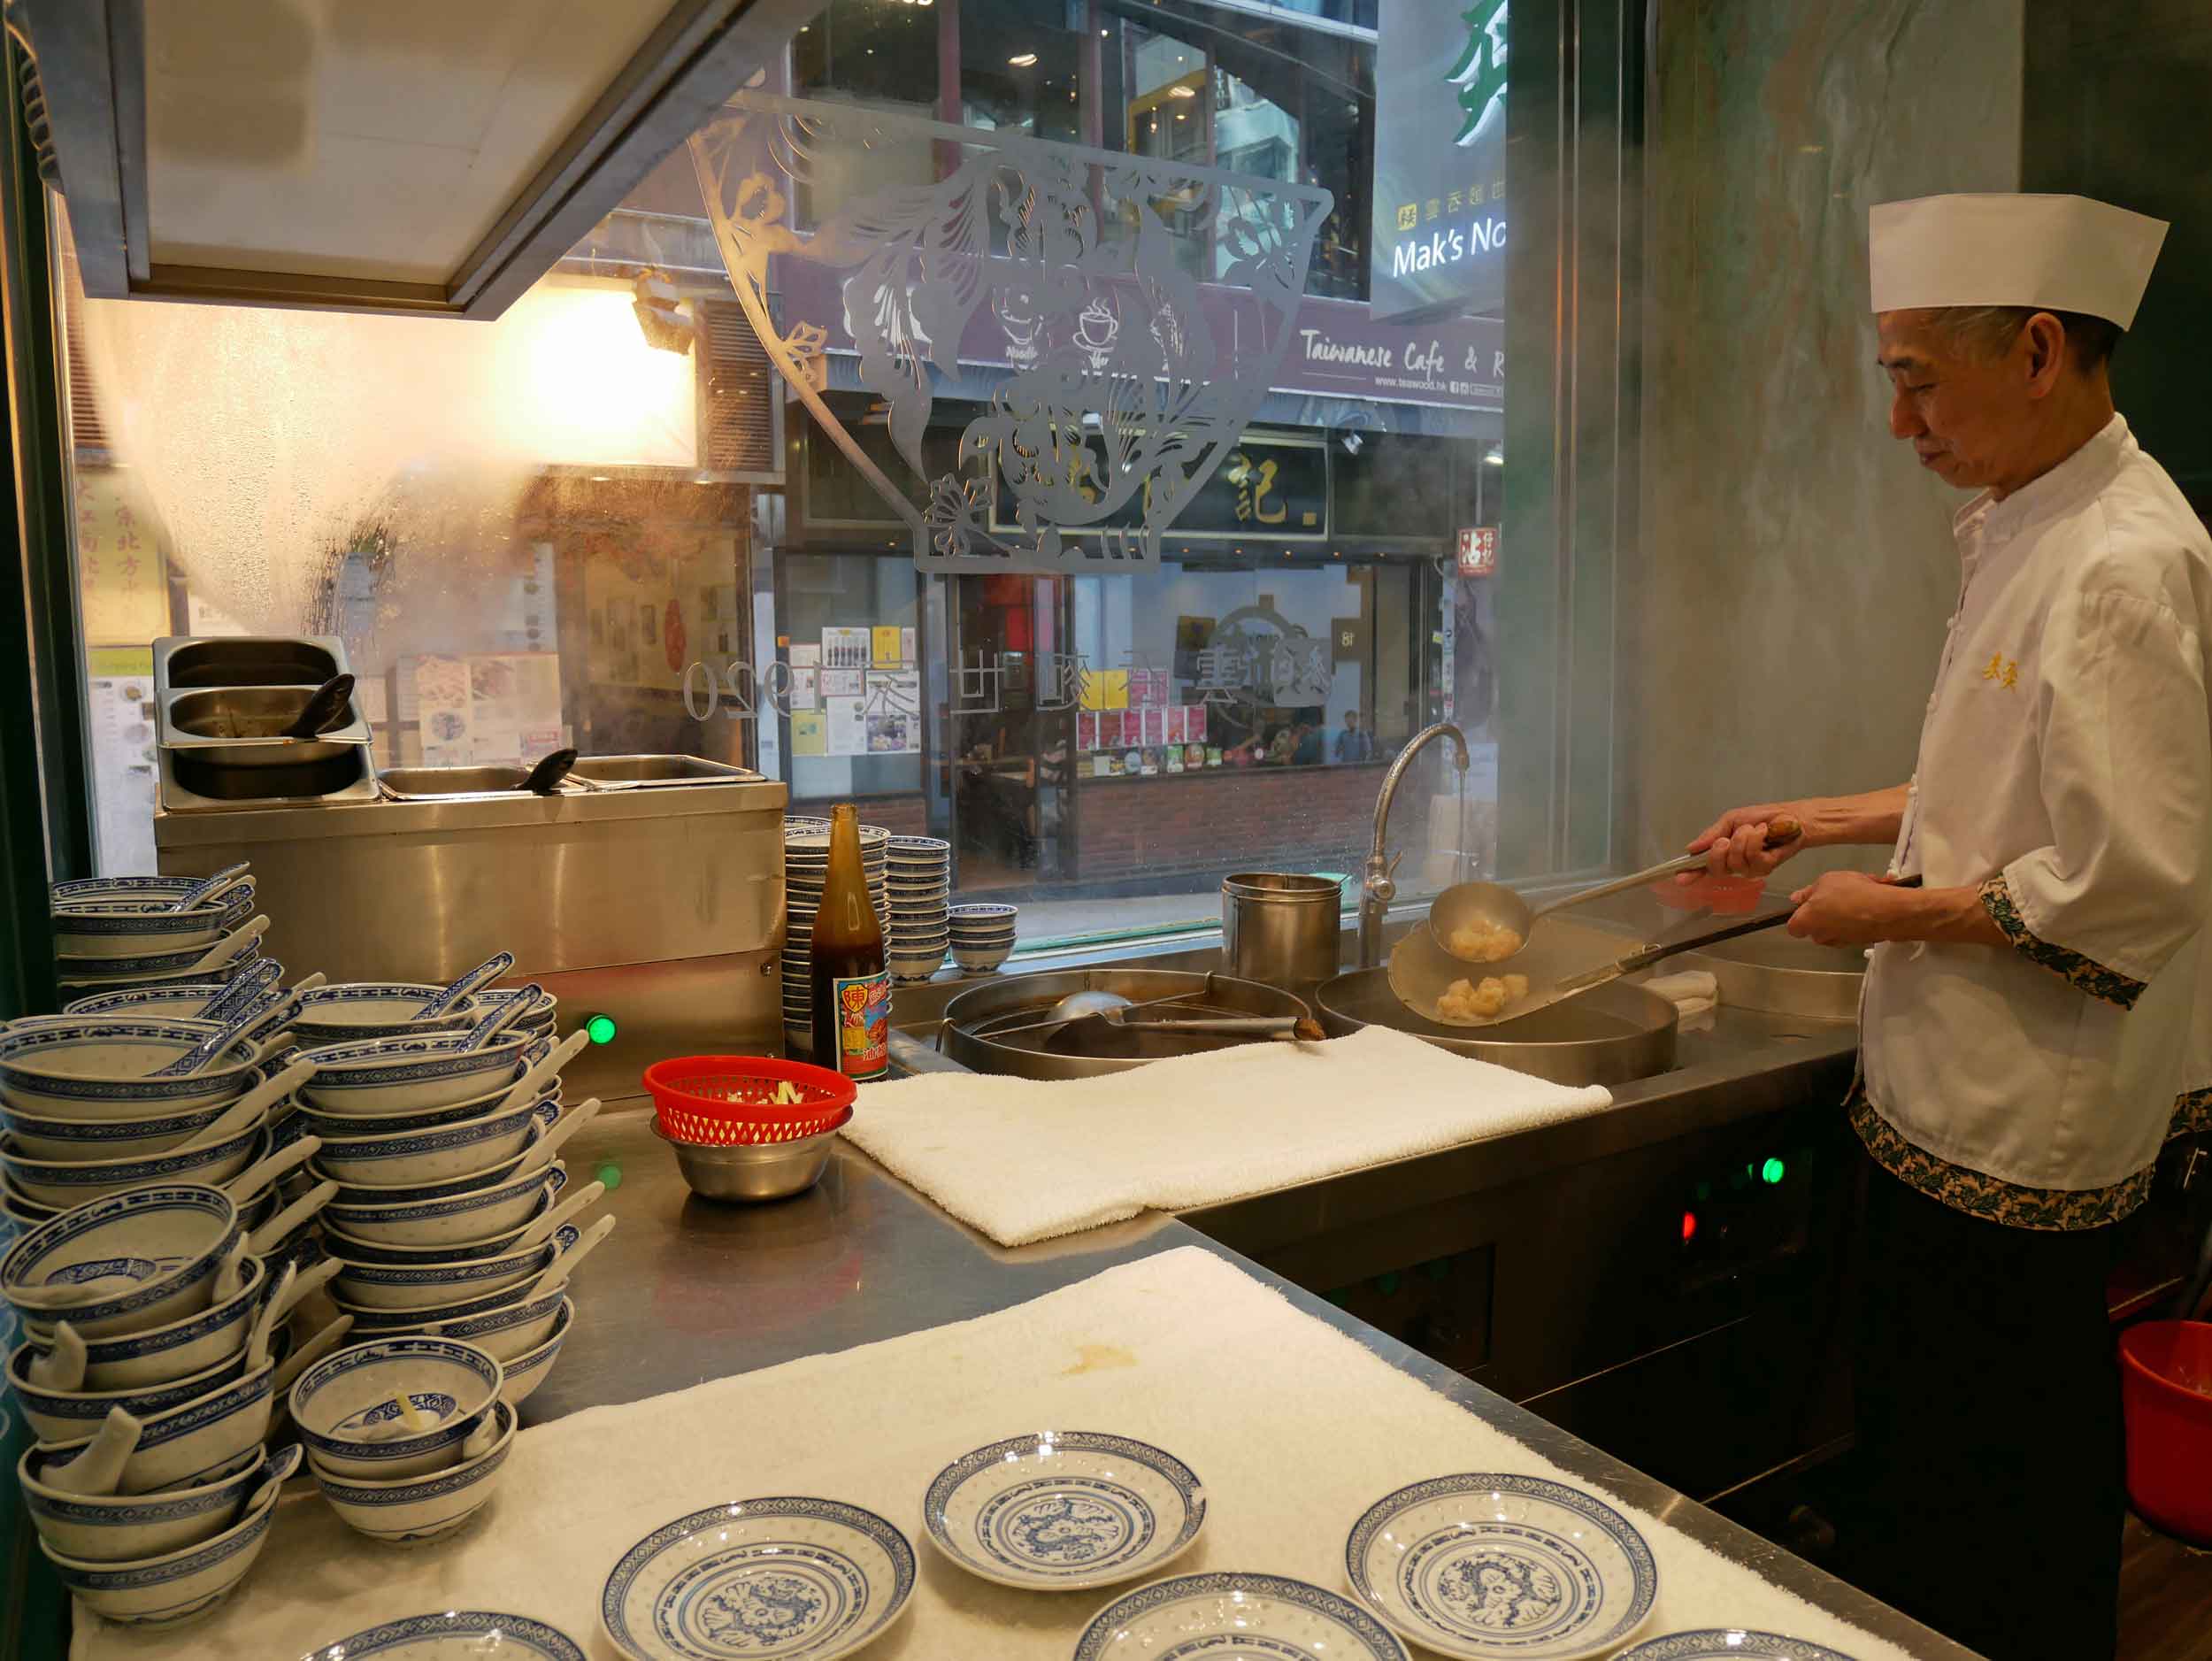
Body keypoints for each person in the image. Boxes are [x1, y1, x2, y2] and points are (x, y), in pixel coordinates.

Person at [1690, 193, 2207, 1661]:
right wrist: (1822, 820)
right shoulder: (2029, 526)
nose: (1902, 422)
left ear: (2039, 349)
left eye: (1919, 378)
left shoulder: (2125, 561)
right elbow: (2004, 788)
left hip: (2014, 1137)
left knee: (2006, 1519)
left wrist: (1883, 913)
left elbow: (2132, 876)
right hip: (1945, 1116)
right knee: (1926, 1497)